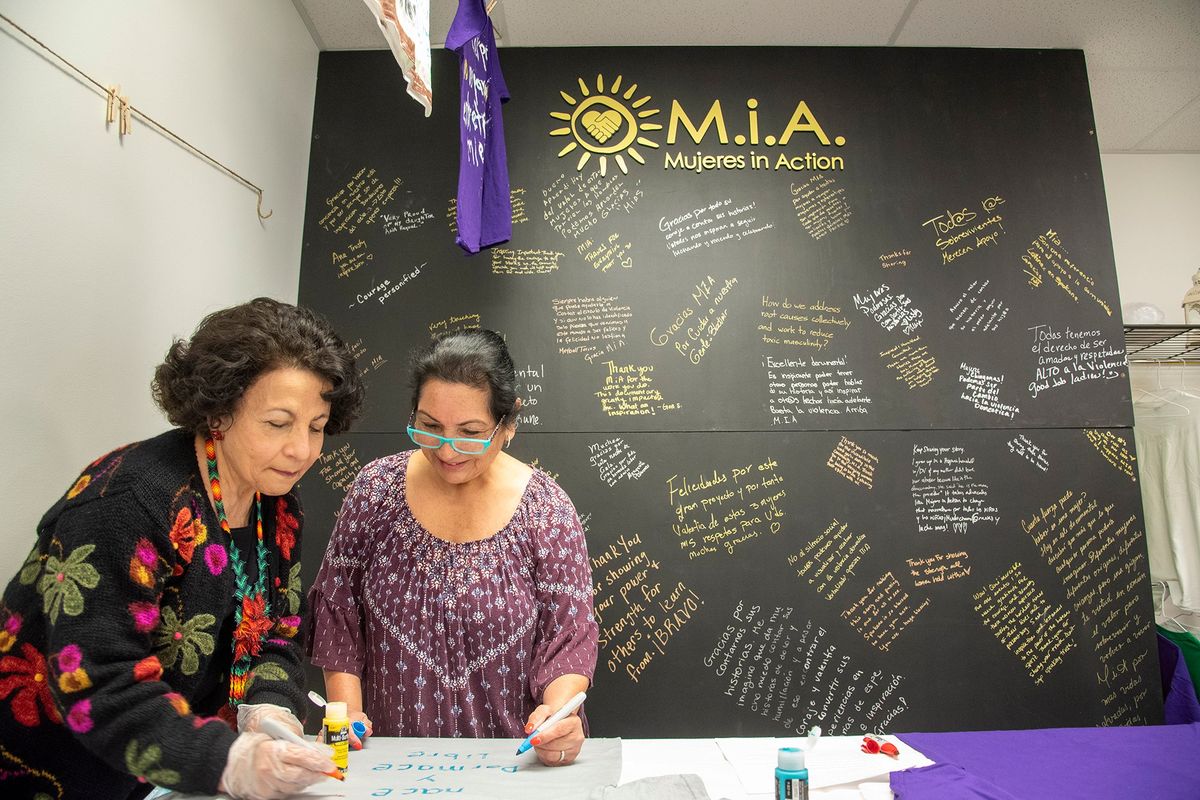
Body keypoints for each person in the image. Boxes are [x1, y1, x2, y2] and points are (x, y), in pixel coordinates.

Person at [0, 298, 366, 799]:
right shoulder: (127, 502)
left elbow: (278, 630)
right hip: (54, 775)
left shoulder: (274, 502)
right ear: (219, 411)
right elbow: (100, 683)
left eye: (316, 427)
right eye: (278, 423)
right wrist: (229, 760)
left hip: (164, 780)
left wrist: (269, 704)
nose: (301, 450)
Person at [307, 329, 598, 766]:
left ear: (508, 424)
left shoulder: (546, 510)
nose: (446, 450)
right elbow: (338, 611)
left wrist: (557, 717)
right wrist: (345, 716)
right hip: (389, 768)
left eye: (470, 432)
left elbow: (567, 634)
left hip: (511, 769)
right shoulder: (374, 492)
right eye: (428, 427)